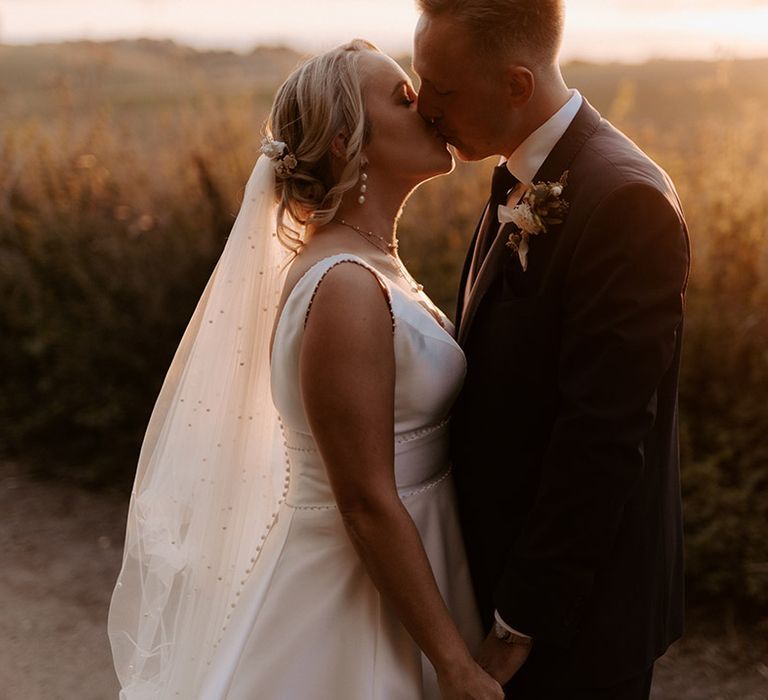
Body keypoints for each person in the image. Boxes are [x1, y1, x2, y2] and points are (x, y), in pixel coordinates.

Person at [108, 39, 505, 699]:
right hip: (358, 599)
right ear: (352, 141)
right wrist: (453, 664)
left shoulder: (373, 261)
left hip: (420, 563)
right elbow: (364, 499)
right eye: (404, 99)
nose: (429, 110)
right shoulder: (345, 286)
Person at [413, 2, 691, 699]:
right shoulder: (519, 172)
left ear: (516, 85)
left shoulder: (625, 200)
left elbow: (601, 437)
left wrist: (517, 625)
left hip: (573, 623)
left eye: (442, 92)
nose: (424, 109)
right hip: (498, 580)